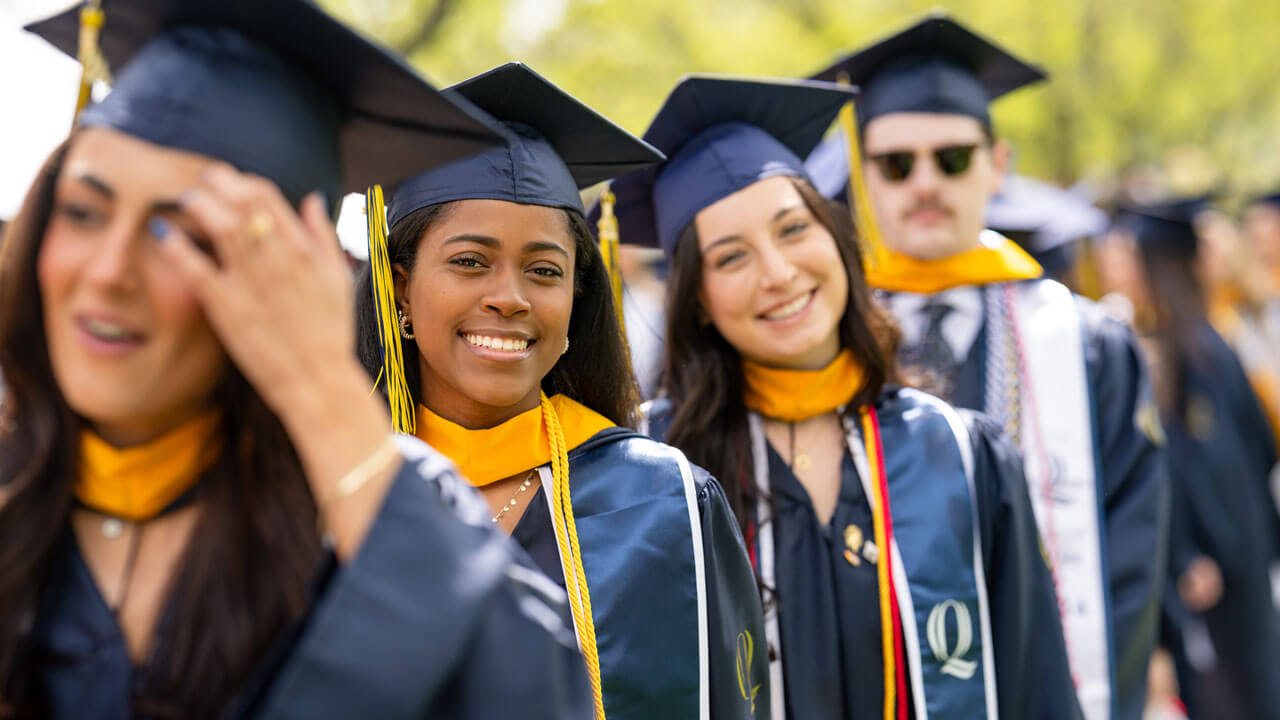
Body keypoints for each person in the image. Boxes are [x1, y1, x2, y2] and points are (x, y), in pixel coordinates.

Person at [0, 2, 593, 717]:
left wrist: (318, 384)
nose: (107, 272)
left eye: (176, 231)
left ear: (285, 273)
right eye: (84, 212)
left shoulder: (366, 516)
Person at [606, 73, 1080, 720]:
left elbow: (1038, 692)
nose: (778, 274)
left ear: (839, 238)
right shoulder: (653, 476)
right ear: (697, 299)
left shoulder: (964, 456)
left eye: (794, 229)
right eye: (731, 258)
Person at [355, 62, 769, 720]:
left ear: (577, 296)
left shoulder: (666, 504)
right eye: (469, 261)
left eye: (544, 270)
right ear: (401, 289)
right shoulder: (330, 491)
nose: (510, 298)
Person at [805, 14, 1168, 720]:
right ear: (861, 171)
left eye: (953, 158)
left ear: (998, 163)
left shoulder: (1086, 343)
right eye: (896, 163)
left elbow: (1129, 560)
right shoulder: (824, 344)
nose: (925, 184)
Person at [1120, 198, 1280, 720]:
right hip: (1240, 558)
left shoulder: (1191, 355)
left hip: (1221, 573)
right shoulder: (1207, 343)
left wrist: (1193, 552)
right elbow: (1260, 448)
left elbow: (1219, 466)